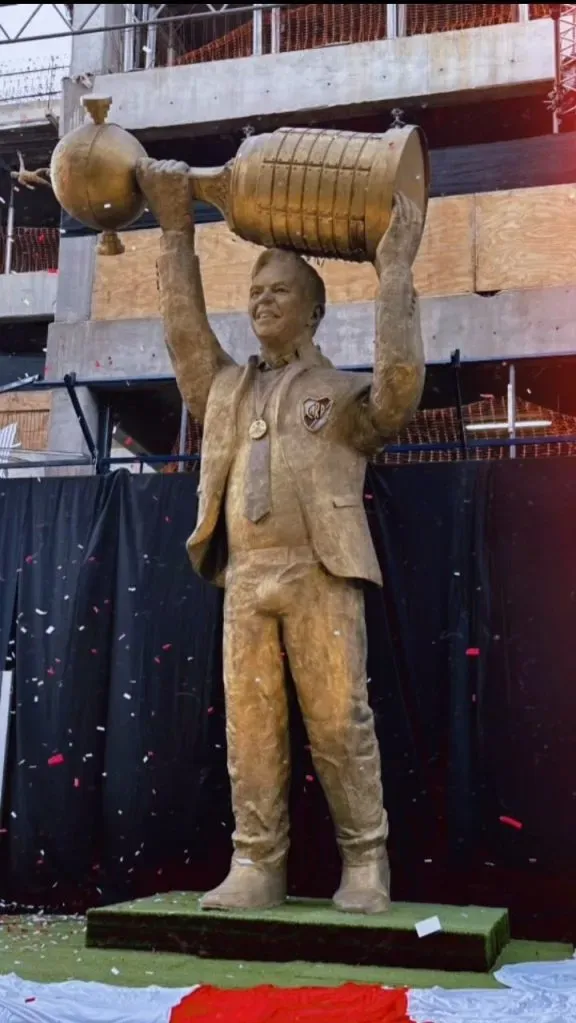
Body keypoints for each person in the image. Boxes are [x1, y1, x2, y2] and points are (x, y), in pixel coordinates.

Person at [136, 156, 425, 915]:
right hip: (246, 578)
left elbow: (399, 391)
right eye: (256, 293)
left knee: (338, 722)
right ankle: (256, 863)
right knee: (251, 729)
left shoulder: (339, 393)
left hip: (319, 574)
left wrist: (394, 272)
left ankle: (366, 863)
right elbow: (185, 339)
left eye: (280, 293)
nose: (263, 302)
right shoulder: (226, 389)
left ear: (313, 310)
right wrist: (174, 232)